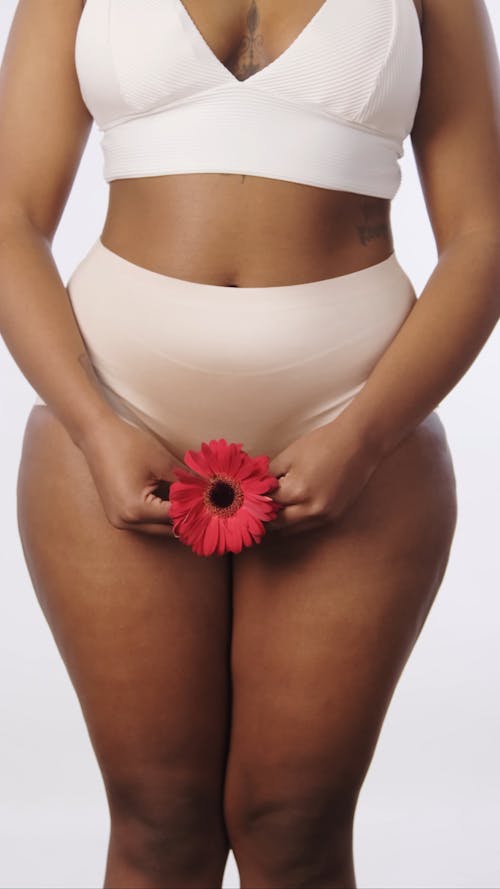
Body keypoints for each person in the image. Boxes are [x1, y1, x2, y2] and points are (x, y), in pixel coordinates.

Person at [0, 0, 499, 886]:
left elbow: (484, 234)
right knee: (158, 826)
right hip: (117, 405)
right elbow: (7, 217)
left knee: (295, 829)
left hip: (357, 413)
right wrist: (91, 423)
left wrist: (367, 436)